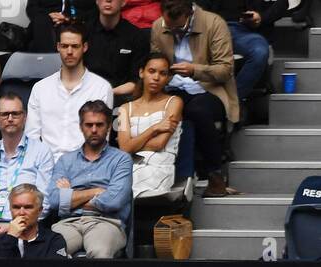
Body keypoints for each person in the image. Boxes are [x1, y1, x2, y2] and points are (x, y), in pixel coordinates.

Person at [151, 0, 239, 195]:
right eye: (170, 28)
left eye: (179, 28)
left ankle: (215, 174)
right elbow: (154, 61)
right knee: (173, 111)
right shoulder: (159, 26)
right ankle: (177, 177)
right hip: (172, 87)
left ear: (189, 14)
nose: (174, 31)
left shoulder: (214, 23)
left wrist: (194, 70)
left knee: (195, 110)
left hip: (209, 89)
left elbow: (225, 70)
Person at [48, 100, 133, 256]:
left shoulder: (121, 159)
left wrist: (70, 195)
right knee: (52, 250)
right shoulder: (65, 161)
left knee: (99, 252)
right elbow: (53, 200)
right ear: (81, 127)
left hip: (106, 222)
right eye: (89, 125)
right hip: (68, 223)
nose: (94, 130)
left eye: (99, 125)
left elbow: (113, 201)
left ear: (108, 127)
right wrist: (96, 191)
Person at [0, 92, 57, 235]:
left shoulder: (42, 152)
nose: (10, 119)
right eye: (4, 114)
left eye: (15, 114)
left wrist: (12, 227)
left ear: (25, 117)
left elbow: (44, 203)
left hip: (26, 228)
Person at [27, 22, 116, 159]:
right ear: (58, 47)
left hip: (86, 164)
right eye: (64, 46)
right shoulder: (40, 88)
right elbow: (31, 137)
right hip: (45, 164)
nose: (69, 51)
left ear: (84, 47)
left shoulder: (101, 87)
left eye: (75, 46)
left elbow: (103, 137)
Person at [115, 53, 183, 197]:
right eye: (151, 71)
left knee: (121, 190)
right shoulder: (124, 108)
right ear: (141, 72)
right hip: (129, 166)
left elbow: (159, 144)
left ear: (168, 78)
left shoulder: (175, 102)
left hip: (159, 166)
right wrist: (154, 128)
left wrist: (131, 144)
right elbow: (123, 148)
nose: (156, 78)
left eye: (163, 73)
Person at [201, 0, 286, 113]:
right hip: (214, 28)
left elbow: (282, 4)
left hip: (247, 31)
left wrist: (261, 17)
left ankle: (227, 103)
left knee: (259, 51)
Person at [87, 0, 153, 99]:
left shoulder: (137, 36)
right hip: (87, 95)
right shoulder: (83, 32)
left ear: (123, 2)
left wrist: (107, 93)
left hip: (122, 98)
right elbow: (73, 72)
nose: (108, 0)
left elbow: (136, 81)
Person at [0, 185, 71, 256]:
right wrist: (11, 238)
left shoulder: (53, 240)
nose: (21, 213)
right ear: (10, 209)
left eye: (28, 207)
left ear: (39, 210)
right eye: (16, 207)